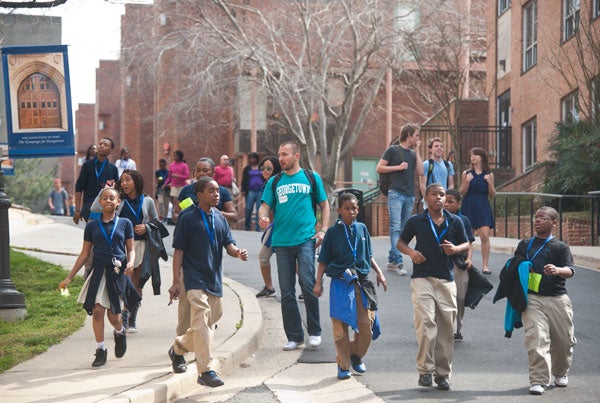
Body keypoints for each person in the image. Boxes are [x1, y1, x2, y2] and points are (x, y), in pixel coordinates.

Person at [167, 176, 248, 388]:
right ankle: (205, 370)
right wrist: (176, 281)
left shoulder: (220, 219)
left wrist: (237, 252)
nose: (216, 194)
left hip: (214, 279)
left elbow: (229, 244)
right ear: (199, 194)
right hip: (194, 278)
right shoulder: (187, 218)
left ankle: (178, 348)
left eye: (218, 191)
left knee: (207, 324)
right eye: (211, 191)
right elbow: (179, 251)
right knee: (202, 320)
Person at [397, 183, 469, 391]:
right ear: (426, 198)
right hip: (422, 278)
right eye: (434, 194)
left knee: (446, 329)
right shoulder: (416, 221)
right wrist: (411, 253)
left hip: (446, 280)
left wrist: (455, 249)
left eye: (442, 194)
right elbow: (400, 242)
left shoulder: (455, 221)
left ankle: (443, 374)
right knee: (426, 323)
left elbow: (467, 244)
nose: (439, 198)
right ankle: (425, 371)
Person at [258, 141, 330, 351]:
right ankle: (294, 336)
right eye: (279, 154)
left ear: (296, 156)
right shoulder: (275, 181)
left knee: (308, 284)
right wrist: (263, 217)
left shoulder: (311, 178)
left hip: (306, 239)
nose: (281, 158)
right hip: (281, 242)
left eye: (285, 154)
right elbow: (265, 207)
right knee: (287, 291)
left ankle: (315, 332)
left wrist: (324, 229)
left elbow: (324, 205)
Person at [59, 187, 139, 368]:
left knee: (115, 316)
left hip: (117, 273)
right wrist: (69, 277)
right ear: (100, 202)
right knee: (97, 311)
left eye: (112, 198)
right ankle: (100, 349)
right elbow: (85, 253)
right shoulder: (92, 226)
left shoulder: (125, 223)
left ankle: (120, 332)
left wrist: (131, 262)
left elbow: (131, 249)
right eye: (105, 198)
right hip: (98, 271)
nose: (109, 201)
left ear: (118, 202)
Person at [314, 192, 388, 380]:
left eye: (354, 208)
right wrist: (318, 282)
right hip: (341, 282)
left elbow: (369, 255)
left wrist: (379, 273)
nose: (351, 211)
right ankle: (343, 364)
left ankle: (355, 355)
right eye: (347, 208)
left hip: (362, 283)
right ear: (339, 210)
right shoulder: (332, 232)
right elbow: (323, 260)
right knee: (340, 326)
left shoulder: (363, 229)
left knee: (366, 328)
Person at [513, 207, 576, 396]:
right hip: (532, 297)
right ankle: (538, 379)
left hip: (557, 297)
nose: (537, 220)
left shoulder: (560, 247)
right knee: (537, 338)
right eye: (536, 217)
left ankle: (560, 372)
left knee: (563, 341)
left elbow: (570, 271)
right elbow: (512, 267)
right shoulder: (525, 244)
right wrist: (523, 267)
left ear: (554, 223)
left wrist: (557, 270)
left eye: (543, 217)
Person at [175, 157, 238, 337]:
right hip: (190, 255)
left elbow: (234, 216)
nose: (202, 173)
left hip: (212, 256)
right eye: (198, 170)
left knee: (214, 309)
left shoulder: (221, 193)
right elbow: (177, 213)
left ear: (213, 172)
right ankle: (182, 348)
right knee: (188, 306)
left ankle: (195, 335)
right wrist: (183, 214)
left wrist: (215, 212)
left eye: (206, 170)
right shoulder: (187, 191)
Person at [91, 169, 158, 333]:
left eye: (128, 180)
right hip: (122, 248)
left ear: (136, 181)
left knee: (137, 283)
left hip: (142, 246)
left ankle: (132, 316)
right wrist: (106, 189)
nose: (124, 183)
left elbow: (156, 221)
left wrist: (147, 227)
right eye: (122, 180)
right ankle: (124, 314)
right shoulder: (117, 199)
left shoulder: (147, 201)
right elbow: (94, 207)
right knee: (126, 282)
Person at [376, 123, 423, 276]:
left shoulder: (413, 154)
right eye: (416, 135)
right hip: (395, 193)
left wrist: (418, 150)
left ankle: (391, 260)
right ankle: (398, 261)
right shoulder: (393, 150)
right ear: (408, 135)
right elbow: (379, 168)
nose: (418, 137)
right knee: (395, 227)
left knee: (403, 229)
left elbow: (421, 171)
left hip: (409, 195)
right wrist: (397, 167)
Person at [443, 189, 475, 341]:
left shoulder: (464, 220)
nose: (447, 204)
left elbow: (469, 243)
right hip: (442, 263)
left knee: (460, 297)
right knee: (444, 296)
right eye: (445, 201)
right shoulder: (437, 219)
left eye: (451, 202)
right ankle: (444, 327)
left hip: (459, 263)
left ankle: (458, 329)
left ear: (459, 203)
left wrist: (469, 259)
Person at [460, 147, 496, 274]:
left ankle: (485, 265)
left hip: (483, 205)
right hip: (469, 205)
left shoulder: (489, 174)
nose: (473, 157)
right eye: (472, 155)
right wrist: (467, 182)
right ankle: (468, 260)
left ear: (482, 157)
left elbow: (492, 194)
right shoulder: (466, 173)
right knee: (469, 236)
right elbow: (462, 192)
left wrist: (489, 183)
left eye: (475, 155)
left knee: (485, 235)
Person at [74, 138, 120, 224]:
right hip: (90, 209)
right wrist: (77, 211)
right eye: (100, 144)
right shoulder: (87, 165)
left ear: (111, 150)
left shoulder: (113, 169)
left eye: (105, 145)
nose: (102, 146)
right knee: (92, 236)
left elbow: (116, 191)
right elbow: (79, 188)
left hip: (107, 210)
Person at [255, 156, 282, 298]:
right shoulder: (267, 184)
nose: (265, 171)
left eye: (269, 168)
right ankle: (269, 287)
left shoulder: (277, 183)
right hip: (273, 225)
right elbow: (264, 207)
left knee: (265, 256)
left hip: (280, 226)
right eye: (263, 168)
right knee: (265, 256)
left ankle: (307, 286)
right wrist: (264, 218)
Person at [419, 137, 455, 205]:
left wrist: (446, 197)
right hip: (431, 199)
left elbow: (451, 184)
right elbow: (422, 184)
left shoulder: (448, 164)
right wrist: (426, 199)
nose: (439, 148)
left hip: (443, 200)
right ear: (430, 149)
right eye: (436, 146)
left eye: (441, 146)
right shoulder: (426, 164)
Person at [163, 150, 190, 224]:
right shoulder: (172, 165)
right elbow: (169, 177)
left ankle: (183, 216)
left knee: (182, 202)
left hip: (182, 186)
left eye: (176, 156)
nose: (174, 157)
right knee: (175, 201)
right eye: (174, 155)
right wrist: (165, 184)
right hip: (174, 186)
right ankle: (175, 217)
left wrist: (177, 176)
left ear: (180, 156)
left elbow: (187, 176)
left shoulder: (184, 165)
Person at [241, 152, 264, 231]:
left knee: (259, 209)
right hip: (250, 191)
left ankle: (258, 227)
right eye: (250, 158)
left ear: (256, 159)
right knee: (248, 209)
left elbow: (265, 177)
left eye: (253, 158)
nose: (251, 160)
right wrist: (243, 190)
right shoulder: (247, 168)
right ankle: (247, 226)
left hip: (260, 191)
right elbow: (244, 180)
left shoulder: (261, 167)